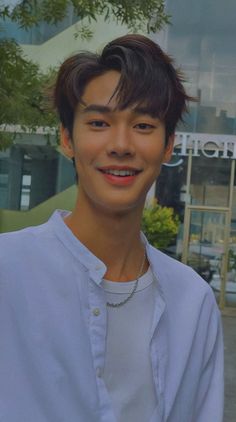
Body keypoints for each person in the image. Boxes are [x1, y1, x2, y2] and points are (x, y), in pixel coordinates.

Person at [0, 34, 224, 422]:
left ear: (169, 145)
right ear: (68, 138)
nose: (121, 145)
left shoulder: (194, 303)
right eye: (100, 122)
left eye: (143, 124)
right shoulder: (8, 271)